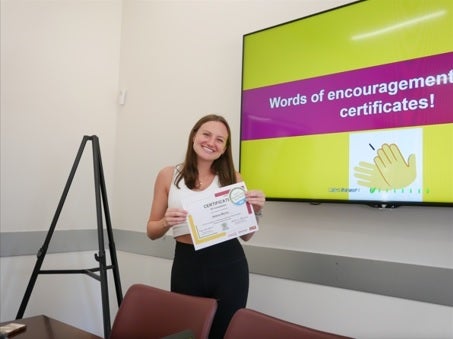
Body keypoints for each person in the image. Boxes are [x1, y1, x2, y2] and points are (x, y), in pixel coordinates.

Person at [146, 114, 265, 338]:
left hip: (228, 265)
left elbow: (247, 236)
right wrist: (165, 222)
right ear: (194, 136)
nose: (211, 142)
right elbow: (151, 231)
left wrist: (256, 211)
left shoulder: (233, 177)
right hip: (186, 264)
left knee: (224, 333)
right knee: (187, 332)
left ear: (224, 148)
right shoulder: (168, 175)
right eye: (207, 134)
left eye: (220, 140)